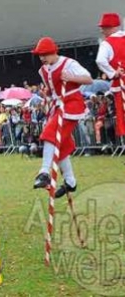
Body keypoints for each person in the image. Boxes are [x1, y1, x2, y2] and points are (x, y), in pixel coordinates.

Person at [31, 37, 92, 198]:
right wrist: (47, 96)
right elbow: (52, 92)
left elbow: (88, 78)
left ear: (53, 52)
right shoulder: (43, 71)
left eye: (44, 54)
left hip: (71, 103)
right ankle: (70, 182)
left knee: (50, 134)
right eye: (39, 55)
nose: (42, 58)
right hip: (58, 105)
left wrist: (71, 77)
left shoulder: (68, 63)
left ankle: (44, 171)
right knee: (62, 145)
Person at [96, 12, 125, 138]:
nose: (102, 31)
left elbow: (100, 60)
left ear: (111, 28)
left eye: (104, 28)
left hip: (121, 84)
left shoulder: (107, 43)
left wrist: (113, 73)